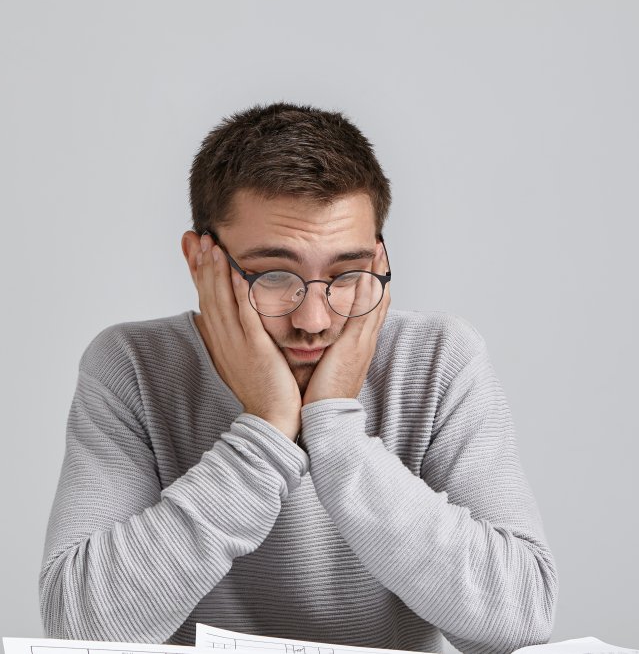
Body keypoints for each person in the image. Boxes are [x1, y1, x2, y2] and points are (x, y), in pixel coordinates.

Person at [39, 103, 558, 654]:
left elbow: (520, 618)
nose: (313, 320)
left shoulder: (437, 358)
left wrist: (335, 431)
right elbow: (80, 630)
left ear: (378, 261)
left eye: (346, 274)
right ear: (199, 261)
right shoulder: (133, 366)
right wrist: (266, 428)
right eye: (272, 275)